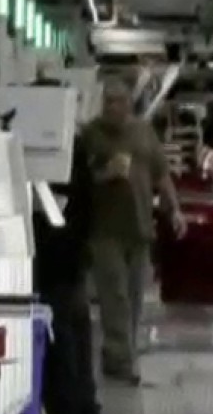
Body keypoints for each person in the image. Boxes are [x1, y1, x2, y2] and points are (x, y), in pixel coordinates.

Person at [78, 78, 184, 385]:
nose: (112, 107)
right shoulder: (90, 135)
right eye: (107, 101)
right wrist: (105, 174)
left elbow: (161, 174)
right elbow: (79, 182)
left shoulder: (143, 133)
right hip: (104, 231)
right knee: (116, 297)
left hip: (139, 229)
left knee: (135, 298)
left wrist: (174, 209)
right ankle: (120, 358)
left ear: (128, 104)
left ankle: (122, 353)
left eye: (118, 101)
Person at [36, 138, 103, 414]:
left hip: (51, 266)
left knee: (60, 343)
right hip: (73, 265)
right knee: (78, 341)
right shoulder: (77, 154)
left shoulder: (42, 159)